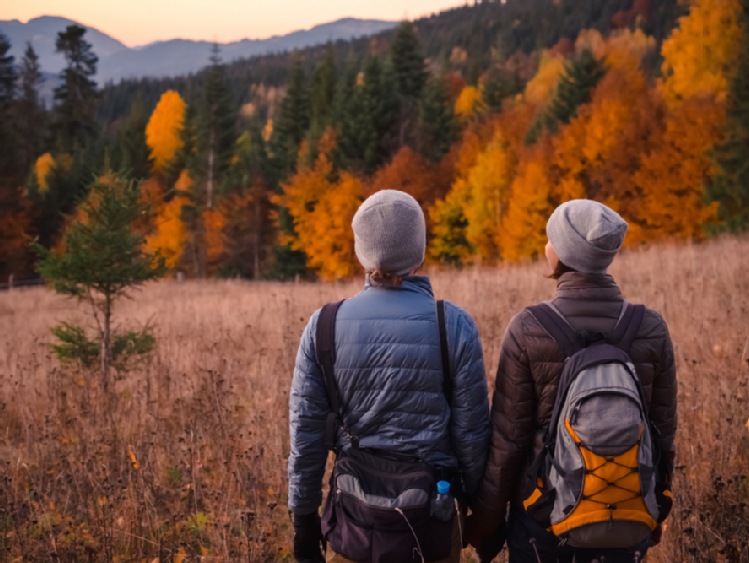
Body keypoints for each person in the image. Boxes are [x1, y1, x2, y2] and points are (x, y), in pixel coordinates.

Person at [464, 199, 677, 562]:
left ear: (562, 253)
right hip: (626, 519)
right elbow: (662, 436)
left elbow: (508, 445)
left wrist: (485, 528)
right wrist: (655, 509)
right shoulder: (650, 328)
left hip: (542, 523)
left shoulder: (528, 329)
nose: (546, 246)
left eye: (551, 239)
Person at [288, 189, 491, 563]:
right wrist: (480, 511)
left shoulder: (324, 326)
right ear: (420, 250)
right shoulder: (454, 325)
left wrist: (303, 520)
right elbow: (473, 436)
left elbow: (306, 434)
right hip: (432, 523)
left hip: (353, 525)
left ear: (361, 251)